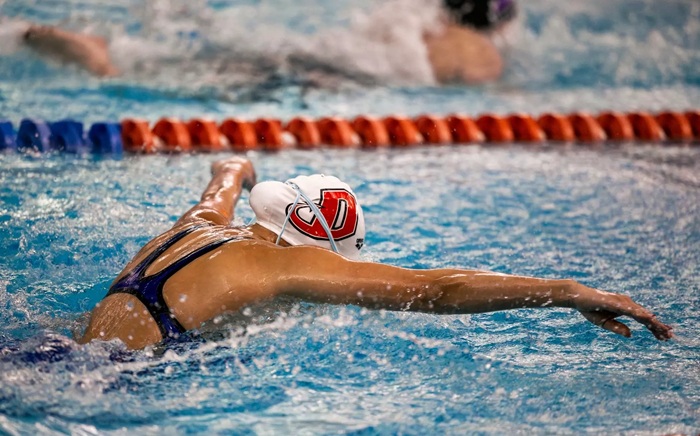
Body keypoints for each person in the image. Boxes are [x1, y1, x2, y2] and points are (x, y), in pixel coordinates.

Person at [78, 157, 673, 350]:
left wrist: (239, 168)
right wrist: (567, 292)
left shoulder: (200, 225)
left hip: (63, 349)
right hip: (109, 381)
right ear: (312, 250)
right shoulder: (283, 263)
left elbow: (223, 179)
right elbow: (437, 290)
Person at [12, 0, 516, 84]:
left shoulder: (418, 19)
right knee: (236, 80)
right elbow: (479, 83)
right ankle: (108, 65)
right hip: (340, 74)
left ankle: (129, 49)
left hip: (328, 55)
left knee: (237, 62)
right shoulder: (480, 51)